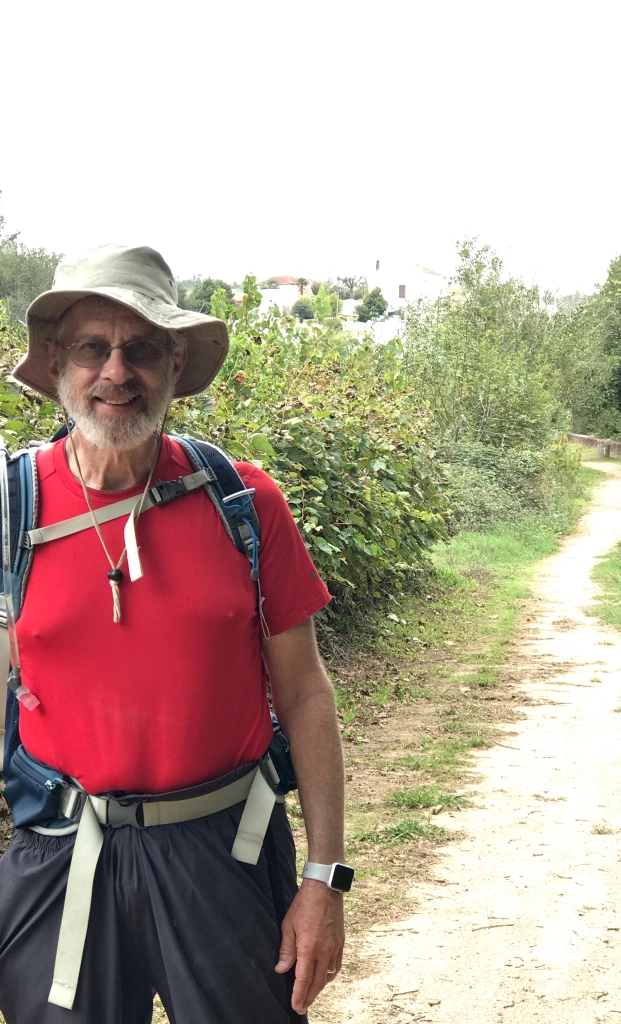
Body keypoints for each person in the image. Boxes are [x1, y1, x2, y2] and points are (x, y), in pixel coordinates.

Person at [0, 244, 352, 1024]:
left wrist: (325, 877)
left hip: (223, 850)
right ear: (58, 360)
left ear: (176, 361)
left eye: (143, 349)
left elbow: (305, 693)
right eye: (94, 346)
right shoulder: (9, 512)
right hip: (59, 853)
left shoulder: (242, 502)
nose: (117, 372)